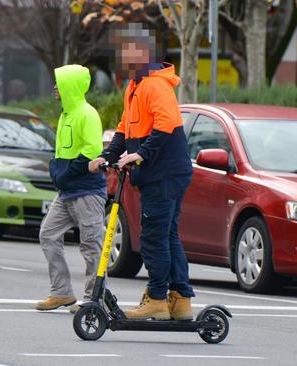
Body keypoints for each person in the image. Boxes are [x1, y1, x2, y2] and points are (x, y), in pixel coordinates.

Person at [89, 23, 195, 320]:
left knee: (153, 238)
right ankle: (181, 299)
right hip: (161, 173)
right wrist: (106, 154)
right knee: (166, 235)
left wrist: (140, 154)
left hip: (165, 173)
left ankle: (158, 298)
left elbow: (167, 123)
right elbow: (125, 128)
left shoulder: (155, 84)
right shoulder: (134, 86)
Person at [35, 64, 107, 314]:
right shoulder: (67, 113)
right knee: (48, 234)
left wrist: (64, 172)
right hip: (67, 191)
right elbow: (62, 152)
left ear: (71, 86)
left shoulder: (87, 114)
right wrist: (56, 170)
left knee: (91, 246)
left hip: (87, 192)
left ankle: (93, 299)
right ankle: (62, 292)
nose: (55, 87)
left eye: (59, 82)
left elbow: (91, 150)